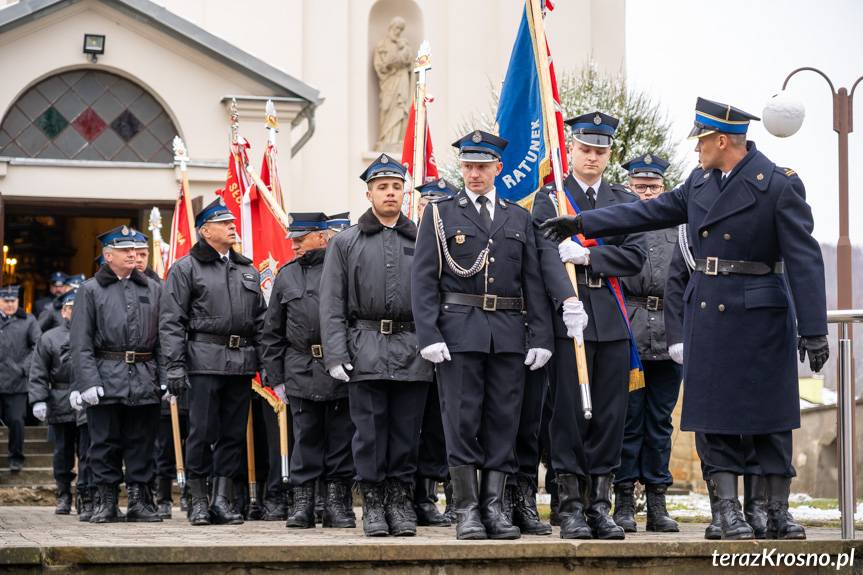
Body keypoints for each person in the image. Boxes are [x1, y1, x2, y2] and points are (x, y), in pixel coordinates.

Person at [540, 97, 829, 541]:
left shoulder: (777, 183)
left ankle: (775, 511)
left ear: (722, 140)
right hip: (710, 309)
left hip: (762, 310)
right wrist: (582, 222)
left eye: (701, 141)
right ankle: (727, 512)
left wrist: (812, 328)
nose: (695, 149)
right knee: (715, 415)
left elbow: (804, 259)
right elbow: (646, 211)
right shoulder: (699, 183)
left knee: (771, 414)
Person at [411, 131, 553, 540]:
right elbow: (423, 280)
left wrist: (540, 336)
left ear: (498, 168)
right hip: (459, 332)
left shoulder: (518, 217)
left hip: (508, 335)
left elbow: (533, 282)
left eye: (482, 166)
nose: (474, 173)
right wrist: (429, 334)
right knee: (461, 420)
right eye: (468, 166)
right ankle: (467, 510)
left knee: (503, 422)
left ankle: (494, 506)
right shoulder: (439, 215)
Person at [542, 112, 647, 540]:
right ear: (571, 150)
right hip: (569, 318)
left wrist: (589, 257)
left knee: (609, 414)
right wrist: (566, 298)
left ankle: (599, 506)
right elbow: (542, 253)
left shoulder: (623, 200)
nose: (592, 158)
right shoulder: (553, 200)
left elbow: (636, 256)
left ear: (609, 155)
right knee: (568, 413)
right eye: (585, 150)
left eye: (600, 151)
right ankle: (569, 506)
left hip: (610, 315)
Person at [320, 154, 433, 537]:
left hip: (413, 348)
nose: (390, 193)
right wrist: (336, 352)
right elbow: (331, 302)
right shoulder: (346, 242)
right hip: (363, 347)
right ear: (368, 193)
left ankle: (399, 502)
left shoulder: (423, 239)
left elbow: (437, 295)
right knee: (368, 433)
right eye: (382, 187)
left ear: (405, 192)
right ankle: (372, 503)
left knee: (405, 431)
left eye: (396, 186)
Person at [160, 198, 267, 526]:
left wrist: (266, 362)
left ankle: (222, 500)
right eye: (224, 222)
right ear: (205, 231)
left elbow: (260, 321)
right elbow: (171, 320)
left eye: (233, 221)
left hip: (240, 362)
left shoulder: (246, 268)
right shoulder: (185, 268)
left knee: (233, 434)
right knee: (202, 432)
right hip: (203, 360)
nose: (233, 226)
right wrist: (175, 365)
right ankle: (198, 500)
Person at [263, 212, 356, 529]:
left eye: (300, 239)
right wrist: (275, 378)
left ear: (322, 236)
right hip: (301, 367)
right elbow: (272, 332)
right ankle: (302, 503)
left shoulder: (344, 268)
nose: (294, 246)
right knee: (305, 439)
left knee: (341, 439)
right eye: (292, 240)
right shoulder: (287, 275)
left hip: (340, 367)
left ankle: (337, 504)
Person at [70, 225, 164, 523]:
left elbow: (163, 337)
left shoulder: (153, 287)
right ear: (108, 255)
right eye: (126, 251)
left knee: (142, 442)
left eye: (136, 251)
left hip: (144, 375)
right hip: (105, 374)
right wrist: (88, 381)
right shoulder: (90, 290)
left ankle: (140, 501)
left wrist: (165, 375)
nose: (134, 255)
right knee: (104, 443)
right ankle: (106, 501)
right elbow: (80, 341)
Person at [609, 154, 681, 533]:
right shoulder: (622, 225)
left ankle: (657, 499)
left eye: (654, 187)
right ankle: (623, 500)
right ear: (629, 189)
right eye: (640, 187)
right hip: (631, 328)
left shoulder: (681, 228)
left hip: (670, 332)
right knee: (629, 419)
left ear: (663, 189)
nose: (648, 194)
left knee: (660, 421)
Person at [411, 178, 459, 527]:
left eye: (437, 202)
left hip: (452, 341)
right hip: (410, 347)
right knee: (415, 425)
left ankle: (452, 495)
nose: (431, 208)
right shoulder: (405, 238)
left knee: (446, 425)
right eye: (426, 202)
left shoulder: (457, 238)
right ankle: (420, 496)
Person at [29, 289, 80, 514]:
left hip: (88, 399)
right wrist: (39, 399)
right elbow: (38, 371)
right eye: (70, 308)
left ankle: (86, 496)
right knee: (62, 451)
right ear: (63, 311)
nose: (73, 312)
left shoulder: (94, 333)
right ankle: (63, 494)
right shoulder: (50, 337)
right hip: (59, 398)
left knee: (89, 451)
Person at [0, 285, 41, 473]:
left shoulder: (28, 320)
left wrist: (24, 368)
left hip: (17, 382)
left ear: (18, 302)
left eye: (13, 301)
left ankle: (16, 457)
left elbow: (37, 346)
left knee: (16, 420)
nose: (9, 305)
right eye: (6, 301)